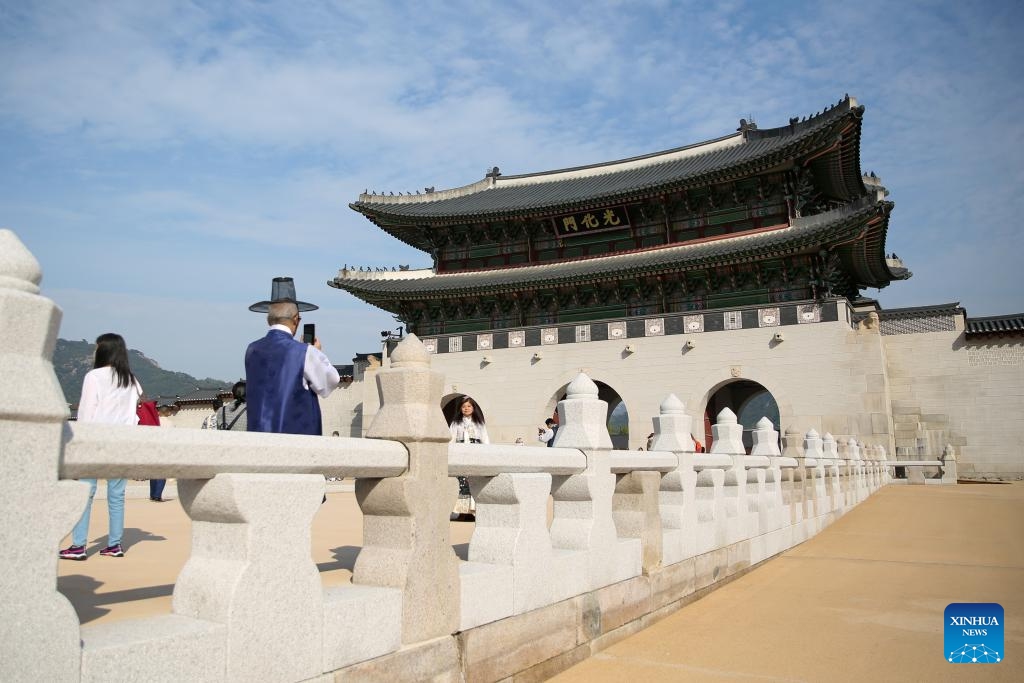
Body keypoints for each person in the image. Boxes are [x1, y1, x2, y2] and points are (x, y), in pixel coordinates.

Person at [60, 333, 143, 560]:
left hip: (96, 442)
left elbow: (87, 413)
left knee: (85, 494)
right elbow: (132, 415)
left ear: (104, 350)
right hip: (122, 443)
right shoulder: (131, 380)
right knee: (116, 495)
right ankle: (114, 544)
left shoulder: (94, 376)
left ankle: (79, 545)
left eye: (97, 348)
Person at [245, 277, 341, 435]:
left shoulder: (252, 350)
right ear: (296, 319)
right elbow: (330, 382)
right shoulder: (304, 352)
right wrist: (317, 352)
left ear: (269, 318)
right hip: (294, 441)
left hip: (258, 438)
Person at [449, 396, 488, 514]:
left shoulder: (479, 423)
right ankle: (461, 511)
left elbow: (485, 439)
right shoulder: (456, 423)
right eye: (463, 406)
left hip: (476, 453)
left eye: (469, 406)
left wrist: (486, 454)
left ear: (473, 408)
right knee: (461, 480)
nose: (466, 408)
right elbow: (451, 438)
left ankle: (473, 509)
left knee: (474, 479)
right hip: (461, 454)